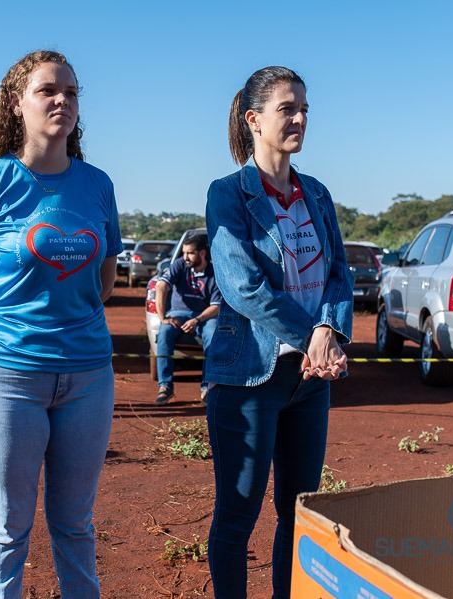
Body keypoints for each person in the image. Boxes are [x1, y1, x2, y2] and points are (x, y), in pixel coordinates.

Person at [0, 50, 121, 598]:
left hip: (88, 377)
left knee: (75, 525)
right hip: (6, 379)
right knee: (8, 528)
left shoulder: (98, 185)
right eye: (47, 90)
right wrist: (4, 342)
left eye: (71, 91)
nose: (62, 99)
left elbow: (104, 283)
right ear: (18, 104)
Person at [203, 66, 354, 598]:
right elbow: (242, 286)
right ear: (253, 119)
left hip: (310, 379)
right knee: (237, 517)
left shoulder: (317, 194)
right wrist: (313, 330)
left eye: (305, 109)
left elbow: (339, 271)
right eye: (288, 108)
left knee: (300, 512)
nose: (299, 119)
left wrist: (330, 332)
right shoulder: (229, 194)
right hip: (249, 377)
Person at [153, 233, 221, 405]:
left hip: (205, 316)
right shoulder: (179, 265)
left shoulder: (215, 273)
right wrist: (163, 318)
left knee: (213, 336)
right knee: (164, 333)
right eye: (184, 253)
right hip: (178, 314)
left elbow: (216, 307)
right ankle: (165, 387)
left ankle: (207, 388)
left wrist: (197, 320)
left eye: (190, 253)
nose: (185, 257)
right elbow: (161, 286)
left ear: (202, 253)